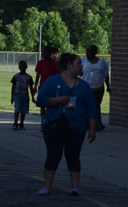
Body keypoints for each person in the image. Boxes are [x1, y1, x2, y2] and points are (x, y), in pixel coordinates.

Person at [35, 52, 97, 196]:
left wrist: (92, 129)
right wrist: (57, 101)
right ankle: (47, 186)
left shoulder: (84, 86)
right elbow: (40, 99)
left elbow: (91, 109)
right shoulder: (52, 81)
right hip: (54, 125)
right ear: (70, 66)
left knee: (73, 156)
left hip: (77, 128)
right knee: (53, 155)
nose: (82, 67)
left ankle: (75, 187)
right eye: (79, 63)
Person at [81, 45, 110, 131]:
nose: (87, 53)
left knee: (96, 106)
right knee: (85, 106)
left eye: (90, 51)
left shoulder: (101, 62)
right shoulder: (82, 60)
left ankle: (98, 123)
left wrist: (108, 86)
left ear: (95, 52)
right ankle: (86, 124)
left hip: (98, 88)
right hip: (85, 88)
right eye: (87, 51)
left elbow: (106, 74)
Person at [34, 47, 60, 117]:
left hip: (52, 87)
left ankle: (50, 122)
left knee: (51, 105)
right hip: (42, 86)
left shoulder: (54, 63)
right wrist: (35, 86)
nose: (42, 53)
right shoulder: (40, 63)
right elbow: (38, 75)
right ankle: (43, 123)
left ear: (49, 53)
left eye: (44, 52)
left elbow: (58, 75)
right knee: (42, 106)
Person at [10, 61, 36, 131]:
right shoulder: (16, 76)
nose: (22, 68)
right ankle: (15, 123)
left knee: (24, 110)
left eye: (24, 66)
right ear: (19, 67)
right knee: (17, 109)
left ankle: (21, 123)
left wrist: (33, 97)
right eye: (21, 66)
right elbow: (13, 87)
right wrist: (12, 97)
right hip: (17, 95)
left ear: (26, 67)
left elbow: (31, 88)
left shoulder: (29, 77)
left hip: (25, 95)